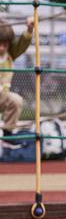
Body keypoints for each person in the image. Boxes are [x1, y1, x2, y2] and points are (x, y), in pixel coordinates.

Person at [0, 17, 33, 145]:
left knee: (15, 100)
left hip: (2, 96)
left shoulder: (9, 55)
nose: (2, 48)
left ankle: (8, 133)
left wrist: (29, 29)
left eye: (5, 45)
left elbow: (21, 45)